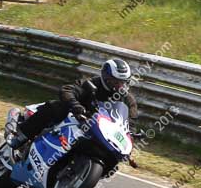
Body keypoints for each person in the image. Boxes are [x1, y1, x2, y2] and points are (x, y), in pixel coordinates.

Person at [8, 59, 138, 151]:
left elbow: (130, 123)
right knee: (57, 107)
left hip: (101, 131)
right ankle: (22, 135)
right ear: (106, 76)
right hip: (76, 117)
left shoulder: (128, 100)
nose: (119, 86)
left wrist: (130, 136)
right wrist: (76, 106)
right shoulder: (92, 83)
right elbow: (67, 90)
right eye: (115, 81)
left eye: (123, 82)